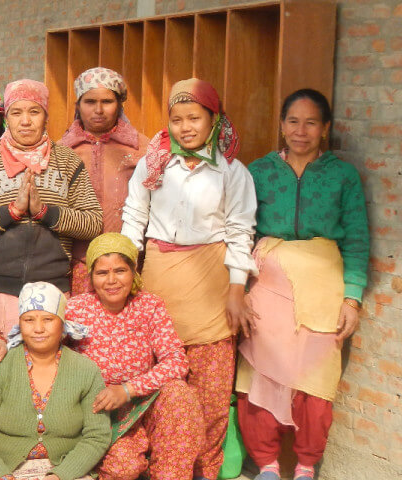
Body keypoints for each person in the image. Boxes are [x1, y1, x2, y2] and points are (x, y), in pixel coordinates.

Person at [119, 77, 257, 480]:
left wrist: (236, 291)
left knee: (211, 392)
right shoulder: (154, 162)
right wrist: (127, 270)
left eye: (194, 118)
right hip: (159, 275)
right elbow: (134, 217)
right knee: (160, 380)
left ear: (214, 120)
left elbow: (239, 231)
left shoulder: (232, 172)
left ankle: (206, 468)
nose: (185, 127)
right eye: (177, 119)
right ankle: (163, 467)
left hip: (211, 280)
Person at [236, 89, 369, 480]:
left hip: (323, 289)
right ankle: (267, 466)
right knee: (260, 372)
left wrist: (353, 297)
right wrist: (239, 289)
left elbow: (358, 238)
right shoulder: (258, 172)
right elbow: (240, 232)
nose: (301, 131)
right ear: (281, 125)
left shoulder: (342, 176)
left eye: (311, 122)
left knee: (315, 375)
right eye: (293, 121)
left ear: (325, 129)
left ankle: (307, 465)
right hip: (267, 286)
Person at [0, 79, 102, 352]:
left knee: (46, 371)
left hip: (52, 287)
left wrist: (45, 212)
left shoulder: (67, 161)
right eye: (16, 113)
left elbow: (92, 221)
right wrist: (12, 212)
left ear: (46, 116)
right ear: (6, 117)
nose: (25, 121)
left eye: (34, 112)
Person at [66, 233, 204, 480]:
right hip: (101, 410)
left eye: (120, 270)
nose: (111, 281)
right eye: (101, 273)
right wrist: (0, 343)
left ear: (133, 272)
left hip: (144, 401)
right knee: (123, 469)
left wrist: (128, 389)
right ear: (90, 277)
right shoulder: (76, 309)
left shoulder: (149, 306)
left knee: (180, 395)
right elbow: (41, 340)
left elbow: (176, 361)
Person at [0, 282, 109, 480]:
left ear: (61, 322)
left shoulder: (86, 370)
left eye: (48, 319)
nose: (38, 328)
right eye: (29, 320)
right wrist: (2, 476)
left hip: (66, 471)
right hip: (4, 470)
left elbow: (97, 436)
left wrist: (60, 476)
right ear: (19, 323)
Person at [58, 68, 149, 295]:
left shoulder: (143, 149)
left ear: (119, 103)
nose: (98, 110)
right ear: (78, 104)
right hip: (76, 262)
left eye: (107, 101)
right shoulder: (60, 151)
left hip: (130, 261)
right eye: (90, 101)